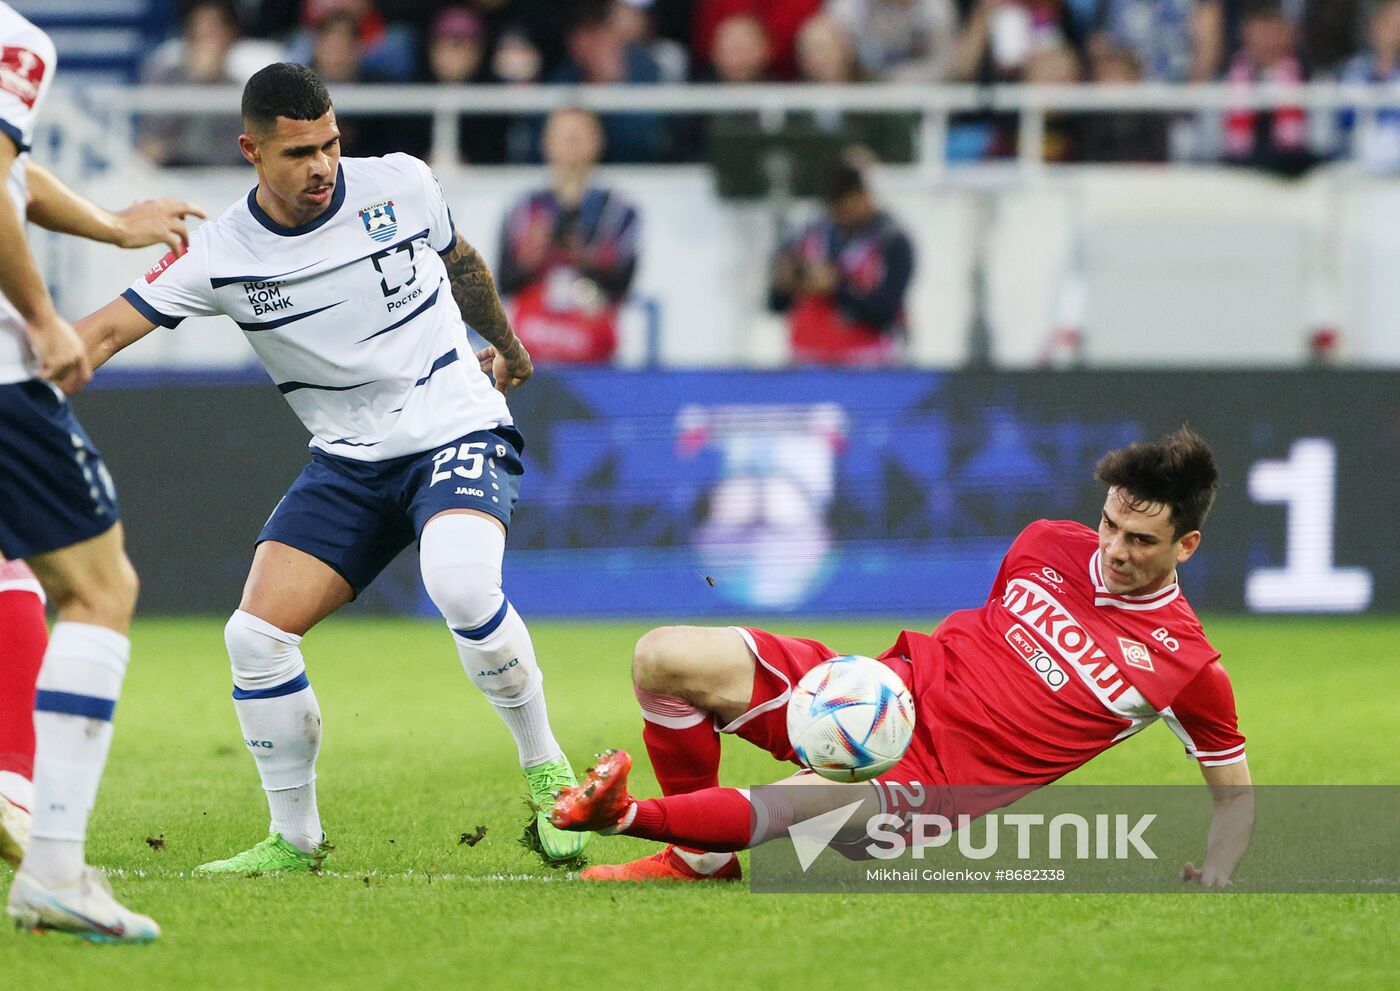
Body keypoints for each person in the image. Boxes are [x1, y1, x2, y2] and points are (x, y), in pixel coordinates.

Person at [74, 62, 591, 873]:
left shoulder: (403, 185)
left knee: (460, 585)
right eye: (298, 153)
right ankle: (296, 839)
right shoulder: (218, 255)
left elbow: (462, 267)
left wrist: (512, 347)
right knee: (254, 636)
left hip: (455, 425)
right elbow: (99, 335)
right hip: (349, 463)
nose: (322, 166)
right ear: (251, 150)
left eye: (331, 143)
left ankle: (551, 783)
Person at [551, 428, 1253, 887]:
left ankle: (626, 816)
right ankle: (701, 862)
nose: (1116, 548)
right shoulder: (1045, 542)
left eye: (1141, 539)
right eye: (1110, 523)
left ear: (1185, 545)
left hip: (930, 788)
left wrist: (1218, 870)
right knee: (663, 656)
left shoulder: (1188, 665)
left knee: (813, 799)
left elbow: (1236, 796)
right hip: (878, 690)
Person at [0, 1, 203, 942]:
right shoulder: (15, 39)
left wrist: (116, 228)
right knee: (97, 586)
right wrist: (42, 317)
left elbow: (13, 174)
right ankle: (54, 867)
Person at [496, 107, 641, 365]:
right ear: (546, 143)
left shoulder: (619, 212)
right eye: (564, 136)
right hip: (533, 340)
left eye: (580, 136)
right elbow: (505, 280)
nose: (571, 145)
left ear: (598, 143)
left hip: (592, 342)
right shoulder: (523, 210)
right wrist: (535, 253)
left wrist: (583, 256)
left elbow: (622, 285)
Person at [768, 159, 914, 366]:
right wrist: (785, 283)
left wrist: (836, 288)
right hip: (805, 360)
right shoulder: (808, 237)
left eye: (848, 206)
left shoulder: (892, 242)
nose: (842, 216)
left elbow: (886, 311)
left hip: (868, 363)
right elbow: (776, 304)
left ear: (864, 197)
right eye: (836, 209)